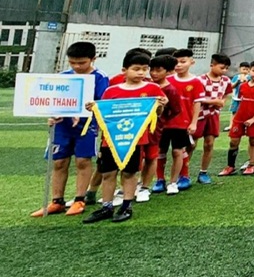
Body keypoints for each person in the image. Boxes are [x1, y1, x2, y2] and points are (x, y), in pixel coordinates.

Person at [82, 52, 167, 224]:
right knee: (108, 173)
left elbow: (157, 114)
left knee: (129, 173)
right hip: (110, 141)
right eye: (136, 69)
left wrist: (160, 106)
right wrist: (93, 108)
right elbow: (103, 113)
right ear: (124, 70)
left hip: (135, 140)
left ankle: (126, 205)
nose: (141, 73)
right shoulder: (111, 91)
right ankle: (107, 206)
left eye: (144, 69)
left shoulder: (152, 89)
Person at [31, 41, 111, 218]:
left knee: (82, 161)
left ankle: (79, 199)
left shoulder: (100, 77)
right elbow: (54, 100)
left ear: (93, 59)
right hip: (62, 126)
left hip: (86, 127)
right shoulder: (63, 77)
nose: (77, 66)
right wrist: (52, 115)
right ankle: (56, 201)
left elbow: (103, 103)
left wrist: (86, 110)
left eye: (81, 63)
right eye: (72, 62)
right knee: (59, 162)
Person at [161, 48, 206, 192]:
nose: (179, 65)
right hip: (164, 123)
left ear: (192, 62)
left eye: (183, 61)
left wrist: (194, 122)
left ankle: (177, 180)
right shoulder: (167, 80)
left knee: (178, 151)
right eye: (176, 62)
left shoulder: (196, 82)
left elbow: (197, 103)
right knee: (160, 152)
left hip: (182, 123)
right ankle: (160, 180)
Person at [140, 55, 181, 201]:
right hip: (144, 128)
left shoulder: (171, 90)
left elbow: (176, 110)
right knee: (144, 156)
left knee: (157, 155)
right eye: (152, 70)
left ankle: (151, 186)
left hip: (163, 128)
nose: (154, 73)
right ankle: (142, 183)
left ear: (168, 72)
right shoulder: (147, 86)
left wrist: (162, 120)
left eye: (158, 70)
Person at [221, 59, 254, 175]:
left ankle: (251, 165)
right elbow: (239, 100)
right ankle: (230, 166)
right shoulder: (243, 86)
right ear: (249, 71)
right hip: (239, 117)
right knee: (233, 141)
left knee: (253, 141)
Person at [192, 53, 231, 184]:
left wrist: (222, 101)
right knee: (191, 144)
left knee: (209, 143)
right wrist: (214, 101)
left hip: (214, 115)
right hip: (199, 114)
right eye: (222, 67)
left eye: (226, 68)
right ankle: (183, 173)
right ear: (212, 65)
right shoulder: (200, 80)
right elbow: (196, 98)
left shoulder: (226, 80)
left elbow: (226, 93)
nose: (224, 71)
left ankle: (203, 172)